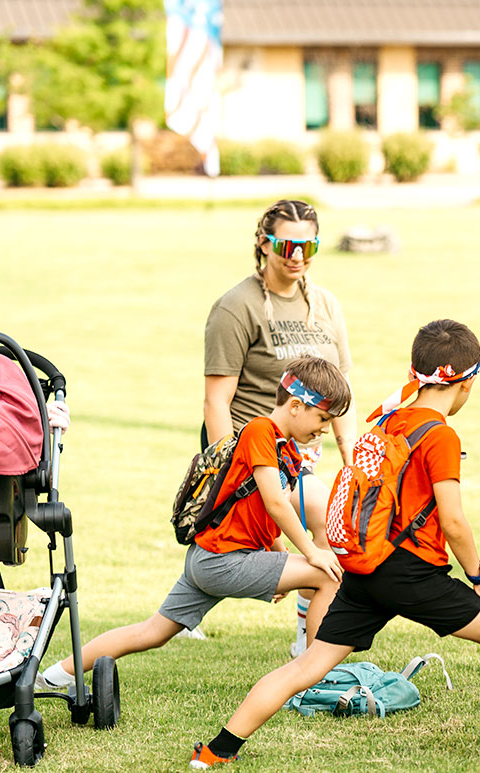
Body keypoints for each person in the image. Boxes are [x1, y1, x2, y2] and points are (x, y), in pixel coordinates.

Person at [189, 320, 480, 768]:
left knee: (306, 669)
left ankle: (216, 751)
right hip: (409, 572)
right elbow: (455, 522)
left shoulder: (391, 418)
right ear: (466, 383)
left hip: (366, 569)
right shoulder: (440, 435)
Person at [36, 357, 348, 691]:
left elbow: (267, 509)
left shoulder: (286, 450)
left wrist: (280, 556)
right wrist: (312, 554)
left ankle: (52, 676)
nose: (326, 429)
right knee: (329, 576)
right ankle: (315, 679)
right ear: (297, 406)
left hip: (209, 557)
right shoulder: (260, 432)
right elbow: (274, 502)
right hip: (224, 560)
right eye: (323, 417)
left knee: (151, 633)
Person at [203, 199, 357, 655]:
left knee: (327, 519)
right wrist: (226, 472)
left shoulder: (326, 304)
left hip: (306, 451)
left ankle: (187, 606)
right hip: (256, 453)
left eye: (308, 244)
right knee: (324, 523)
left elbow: (340, 388)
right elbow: (216, 400)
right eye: (286, 244)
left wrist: (352, 461)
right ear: (264, 243)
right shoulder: (236, 307)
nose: (297, 254)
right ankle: (307, 642)